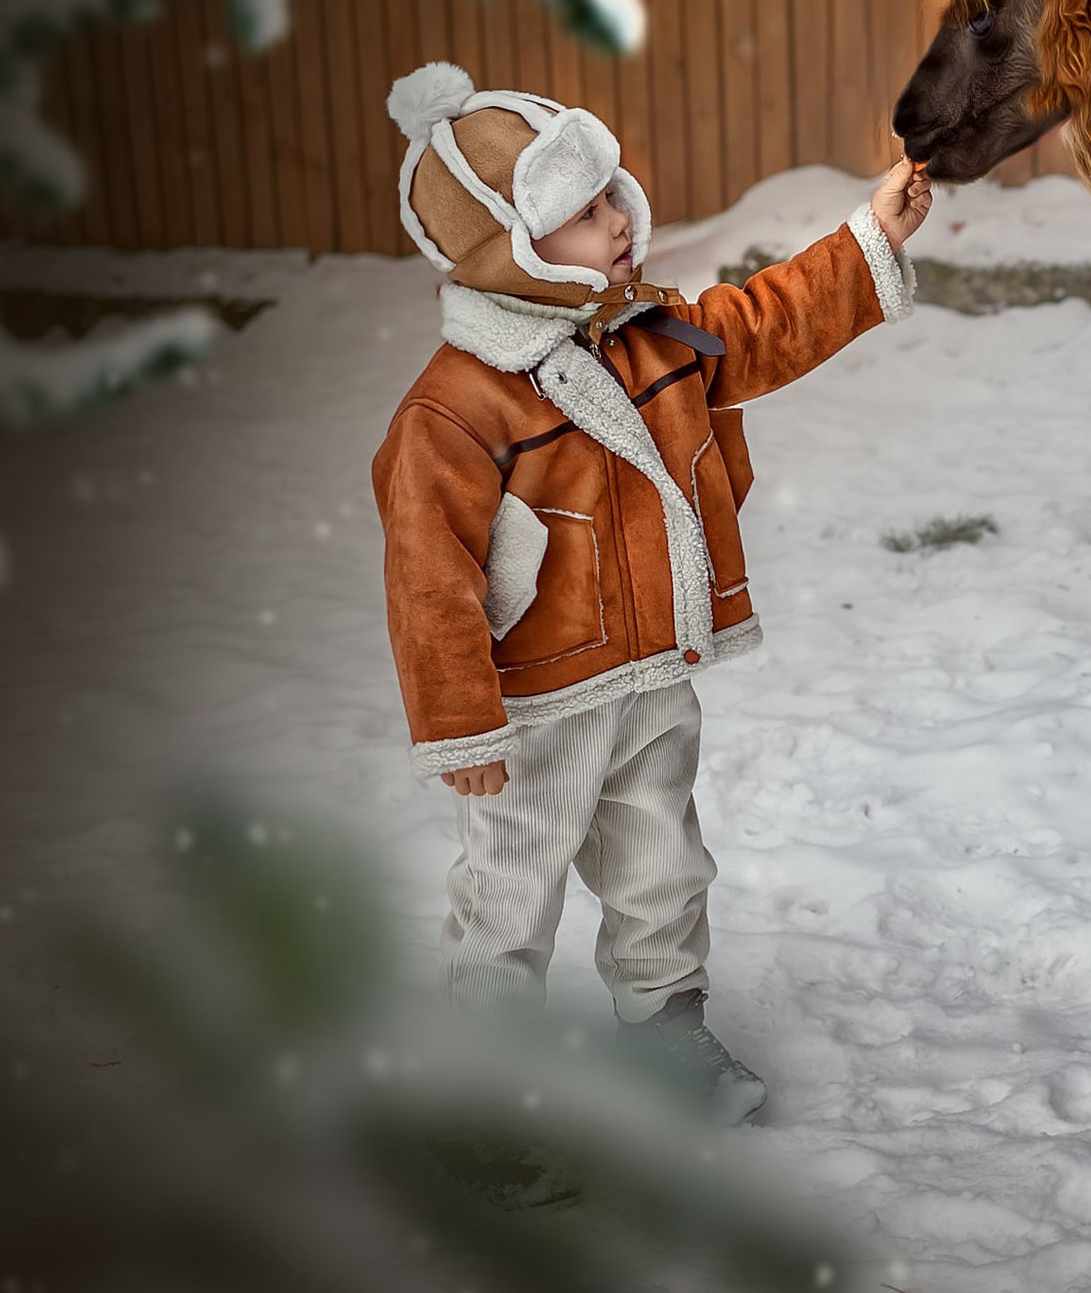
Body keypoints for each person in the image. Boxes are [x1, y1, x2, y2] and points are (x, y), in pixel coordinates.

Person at [371, 62, 929, 1125]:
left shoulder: (650, 329)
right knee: (510, 895)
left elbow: (759, 325)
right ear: (513, 251)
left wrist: (872, 239)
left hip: (649, 670)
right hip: (534, 703)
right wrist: (460, 728)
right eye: (579, 215)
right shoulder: (454, 410)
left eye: (607, 195)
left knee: (660, 863)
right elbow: (426, 578)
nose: (614, 220)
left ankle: (665, 1034)